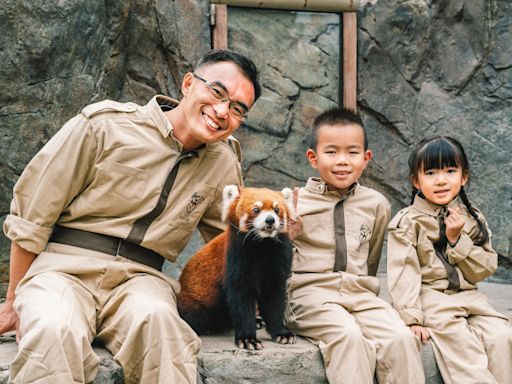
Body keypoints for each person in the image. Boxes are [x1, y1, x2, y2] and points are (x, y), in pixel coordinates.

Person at [0, 48, 260, 383]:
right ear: (188, 84)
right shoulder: (105, 126)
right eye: (217, 92)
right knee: (53, 330)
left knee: (164, 331)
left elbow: (236, 239)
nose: (222, 111)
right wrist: (13, 301)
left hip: (142, 281)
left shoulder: (222, 163)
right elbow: (32, 215)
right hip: (62, 270)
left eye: (238, 109)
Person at [285, 107, 424, 384]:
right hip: (309, 297)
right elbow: (269, 263)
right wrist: (286, 235)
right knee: (348, 337)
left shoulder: (376, 204)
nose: (342, 161)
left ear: (366, 158)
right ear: (313, 158)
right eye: (331, 152)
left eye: (352, 152)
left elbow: (371, 261)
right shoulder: (292, 203)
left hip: (362, 296)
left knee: (400, 338)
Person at [387, 136, 512, 384]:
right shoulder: (407, 222)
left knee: (502, 337)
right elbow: (404, 273)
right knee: (464, 347)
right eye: (431, 172)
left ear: (463, 177)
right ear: (416, 180)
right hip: (432, 299)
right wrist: (412, 318)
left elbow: (484, 269)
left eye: (450, 171)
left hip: (470, 298)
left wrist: (457, 241)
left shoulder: (472, 217)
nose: (441, 180)